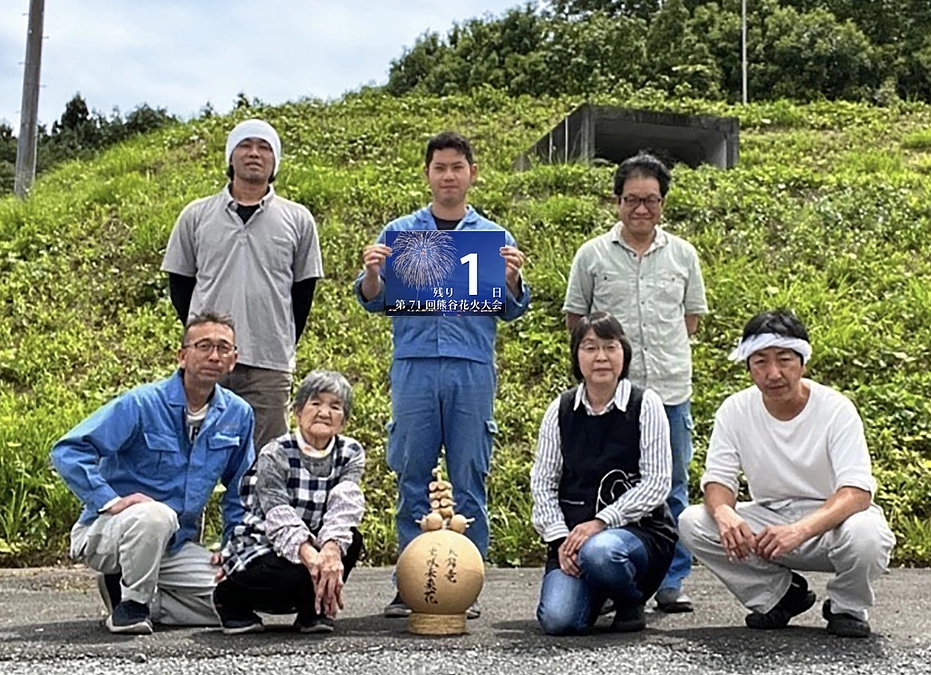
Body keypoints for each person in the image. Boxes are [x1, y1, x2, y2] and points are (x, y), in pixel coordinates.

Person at [354, 131, 530, 618]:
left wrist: (513, 279)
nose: (448, 176)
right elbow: (374, 299)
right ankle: (410, 581)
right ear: (427, 174)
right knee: (412, 472)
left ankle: (463, 581)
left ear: (471, 174)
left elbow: (511, 309)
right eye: (439, 167)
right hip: (413, 367)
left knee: (469, 474)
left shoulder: (493, 237)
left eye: (457, 167)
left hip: (472, 368)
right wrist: (372, 273)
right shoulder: (400, 233)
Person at [678, 309, 896, 638]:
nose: (773, 373)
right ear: (748, 366)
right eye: (760, 361)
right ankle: (778, 595)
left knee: (868, 535)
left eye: (784, 360)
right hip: (770, 519)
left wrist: (798, 530)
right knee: (694, 521)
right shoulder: (735, 410)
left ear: (802, 362)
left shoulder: (836, 409)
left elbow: (856, 492)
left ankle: (847, 606)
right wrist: (724, 512)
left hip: (830, 523)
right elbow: (718, 479)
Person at [562, 152, 706, 613]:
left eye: (651, 200)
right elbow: (575, 317)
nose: (640, 209)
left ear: (663, 202)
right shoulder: (592, 254)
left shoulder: (683, 254)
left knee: (673, 485)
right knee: (611, 484)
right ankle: (612, 574)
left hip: (668, 389)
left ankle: (671, 581)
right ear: (616, 201)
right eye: (631, 199)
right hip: (612, 398)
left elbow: (691, 319)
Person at [50, 312, 255, 635]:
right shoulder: (142, 403)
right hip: (110, 534)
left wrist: (232, 549)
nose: (214, 355)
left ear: (233, 359)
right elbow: (68, 450)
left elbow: (240, 490)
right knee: (155, 516)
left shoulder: (238, 414)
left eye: (223, 348)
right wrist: (108, 500)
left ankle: (130, 593)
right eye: (203, 346)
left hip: (174, 547)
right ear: (183, 356)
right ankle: (131, 607)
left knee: (234, 601)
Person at [161, 118, 323, 451]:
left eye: (264, 148)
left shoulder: (298, 219)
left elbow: (302, 292)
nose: (254, 153)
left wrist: (282, 338)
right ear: (230, 158)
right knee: (196, 448)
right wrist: (204, 338)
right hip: (208, 357)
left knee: (267, 458)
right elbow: (180, 283)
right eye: (245, 146)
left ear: (275, 161)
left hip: (269, 361)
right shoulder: (196, 215)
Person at [530, 312, 676, 634]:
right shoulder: (561, 410)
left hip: (637, 534)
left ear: (623, 353)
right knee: (558, 620)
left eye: (610, 347)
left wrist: (601, 522)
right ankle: (598, 591)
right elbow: (543, 483)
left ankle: (628, 597)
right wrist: (559, 539)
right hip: (573, 538)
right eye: (590, 347)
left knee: (601, 552)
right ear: (576, 355)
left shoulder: (645, 404)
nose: (601, 357)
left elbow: (656, 484)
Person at [213, 370, 364, 634]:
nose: (324, 412)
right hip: (265, 542)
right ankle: (231, 600)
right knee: (294, 568)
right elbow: (277, 513)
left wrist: (330, 550)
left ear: (344, 420)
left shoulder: (350, 452)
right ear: (297, 411)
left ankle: (313, 611)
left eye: (335, 406)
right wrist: (312, 558)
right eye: (315, 403)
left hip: (316, 538)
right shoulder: (276, 452)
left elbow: (345, 504)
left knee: (350, 540)